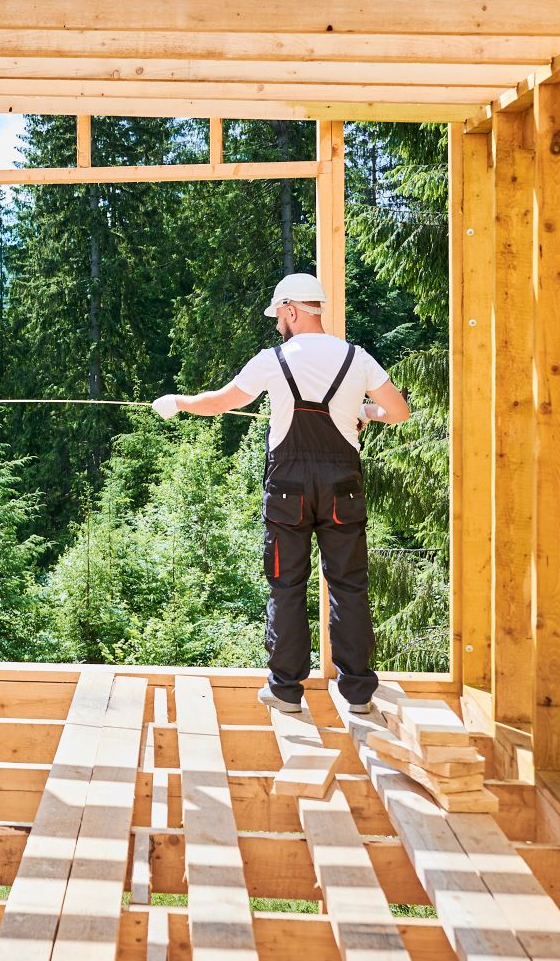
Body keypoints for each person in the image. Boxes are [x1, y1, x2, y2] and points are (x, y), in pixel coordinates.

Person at [151, 272, 409, 715]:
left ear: (291, 310)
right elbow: (399, 412)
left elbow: (220, 402)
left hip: (288, 490)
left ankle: (287, 692)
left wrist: (178, 401)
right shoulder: (357, 357)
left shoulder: (273, 359)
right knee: (349, 586)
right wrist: (363, 412)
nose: (277, 326)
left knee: (287, 585)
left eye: (278, 317)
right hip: (341, 488)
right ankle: (359, 694)